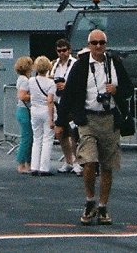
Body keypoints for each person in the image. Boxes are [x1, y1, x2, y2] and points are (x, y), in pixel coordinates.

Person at [55, 28, 135, 226]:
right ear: (89, 45)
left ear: (106, 44)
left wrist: (116, 91)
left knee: (107, 166)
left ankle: (103, 206)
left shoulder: (115, 63)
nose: (99, 46)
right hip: (88, 119)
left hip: (110, 120)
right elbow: (68, 95)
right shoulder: (81, 66)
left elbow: (129, 89)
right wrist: (60, 122)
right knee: (89, 162)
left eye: (102, 43)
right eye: (95, 43)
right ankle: (90, 200)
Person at [50, 39, 80, 174]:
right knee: (60, 133)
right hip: (58, 102)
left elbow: (79, 82)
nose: (62, 53)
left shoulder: (75, 64)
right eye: (59, 51)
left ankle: (77, 162)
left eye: (64, 50)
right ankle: (68, 161)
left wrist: (67, 85)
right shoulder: (54, 65)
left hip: (72, 102)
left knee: (74, 133)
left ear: (69, 50)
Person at [28, 56, 57, 175]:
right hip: (46, 110)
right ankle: (44, 168)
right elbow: (50, 100)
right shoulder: (51, 83)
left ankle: (34, 166)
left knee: (37, 139)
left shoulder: (31, 81)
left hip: (34, 110)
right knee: (47, 139)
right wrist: (51, 118)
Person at [13, 56, 33, 174]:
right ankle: (21, 163)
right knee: (27, 137)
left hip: (21, 110)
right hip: (25, 110)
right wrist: (35, 96)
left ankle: (27, 163)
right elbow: (22, 96)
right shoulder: (25, 80)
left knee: (28, 137)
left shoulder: (21, 79)